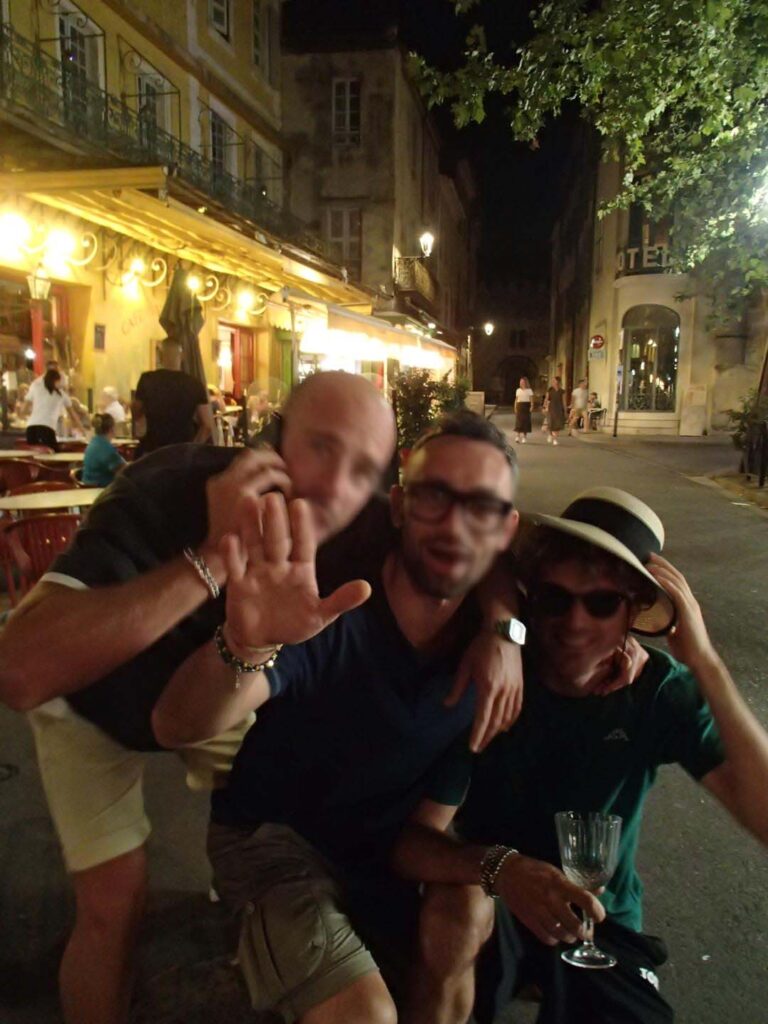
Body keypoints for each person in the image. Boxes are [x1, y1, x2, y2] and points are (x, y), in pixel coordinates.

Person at [0, 376, 521, 1024]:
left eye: (363, 468)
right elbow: (20, 672)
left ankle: (262, 919)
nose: (337, 485)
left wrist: (504, 629)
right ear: (272, 439)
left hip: (226, 678)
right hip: (94, 704)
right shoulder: (172, 485)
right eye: (322, 449)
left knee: (260, 818)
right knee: (114, 906)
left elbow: (479, 536)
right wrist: (216, 558)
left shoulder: (363, 520)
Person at [151, 411, 524, 1024]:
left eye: (481, 506)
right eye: (435, 497)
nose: (456, 525)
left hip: (377, 845)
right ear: (399, 506)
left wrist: (508, 630)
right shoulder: (330, 610)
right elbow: (177, 723)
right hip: (273, 841)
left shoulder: (486, 659)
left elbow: (424, 829)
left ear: (506, 528)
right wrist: (243, 647)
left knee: (467, 912)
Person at [391, 487, 768, 1024]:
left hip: (599, 919)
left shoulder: (656, 692)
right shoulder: (497, 680)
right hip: (495, 903)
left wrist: (704, 661)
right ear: (531, 596)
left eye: (602, 603)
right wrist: (503, 868)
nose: (575, 622)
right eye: (555, 598)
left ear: (635, 611)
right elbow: (410, 843)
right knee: (453, 909)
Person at [132, 336, 213, 455]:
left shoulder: (147, 380)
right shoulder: (194, 384)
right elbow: (207, 425)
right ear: (182, 356)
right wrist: (191, 449)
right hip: (181, 451)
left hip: (153, 451)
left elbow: (136, 412)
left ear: (160, 356)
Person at [23, 367, 86, 451]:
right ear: (56, 381)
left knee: (35, 454)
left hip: (31, 429)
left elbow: (24, 408)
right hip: (47, 429)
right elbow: (73, 415)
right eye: (60, 380)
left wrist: (25, 415)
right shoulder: (61, 395)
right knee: (53, 454)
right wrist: (82, 430)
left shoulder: (36, 388)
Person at [81, 413, 126, 487]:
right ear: (112, 429)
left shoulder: (93, 442)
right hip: (101, 490)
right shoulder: (106, 448)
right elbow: (124, 471)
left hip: (87, 488)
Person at [543, 377, 566, 445]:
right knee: (551, 423)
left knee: (557, 424)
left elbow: (564, 401)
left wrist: (565, 410)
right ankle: (550, 435)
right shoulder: (550, 390)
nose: (554, 383)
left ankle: (555, 439)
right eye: (553, 381)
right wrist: (544, 407)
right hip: (551, 408)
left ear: (559, 382)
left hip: (559, 409)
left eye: (555, 382)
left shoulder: (562, 391)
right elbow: (546, 399)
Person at [513, 377, 534, 444]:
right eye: (520, 382)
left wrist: (531, 406)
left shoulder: (529, 390)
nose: (521, 383)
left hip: (526, 405)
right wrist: (515, 407)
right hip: (520, 405)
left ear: (525, 382)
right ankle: (517, 436)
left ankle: (524, 437)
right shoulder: (518, 390)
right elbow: (516, 399)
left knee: (526, 421)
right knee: (518, 421)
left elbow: (531, 399)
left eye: (523, 382)